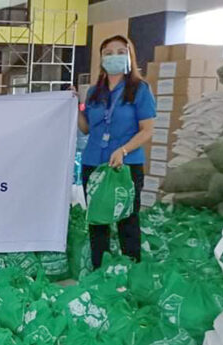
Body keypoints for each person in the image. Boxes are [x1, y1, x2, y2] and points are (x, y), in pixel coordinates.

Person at [77, 35, 156, 269]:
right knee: (97, 221)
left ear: (130, 56)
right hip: (94, 163)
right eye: (108, 53)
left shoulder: (140, 90)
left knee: (127, 219)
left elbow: (147, 130)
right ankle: (100, 271)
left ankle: (131, 269)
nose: (114, 57)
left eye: (121, 52)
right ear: (101, 59)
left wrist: (124, 150)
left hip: (125, 165)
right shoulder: (94, 92)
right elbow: (86, 128)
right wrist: (74, 106)